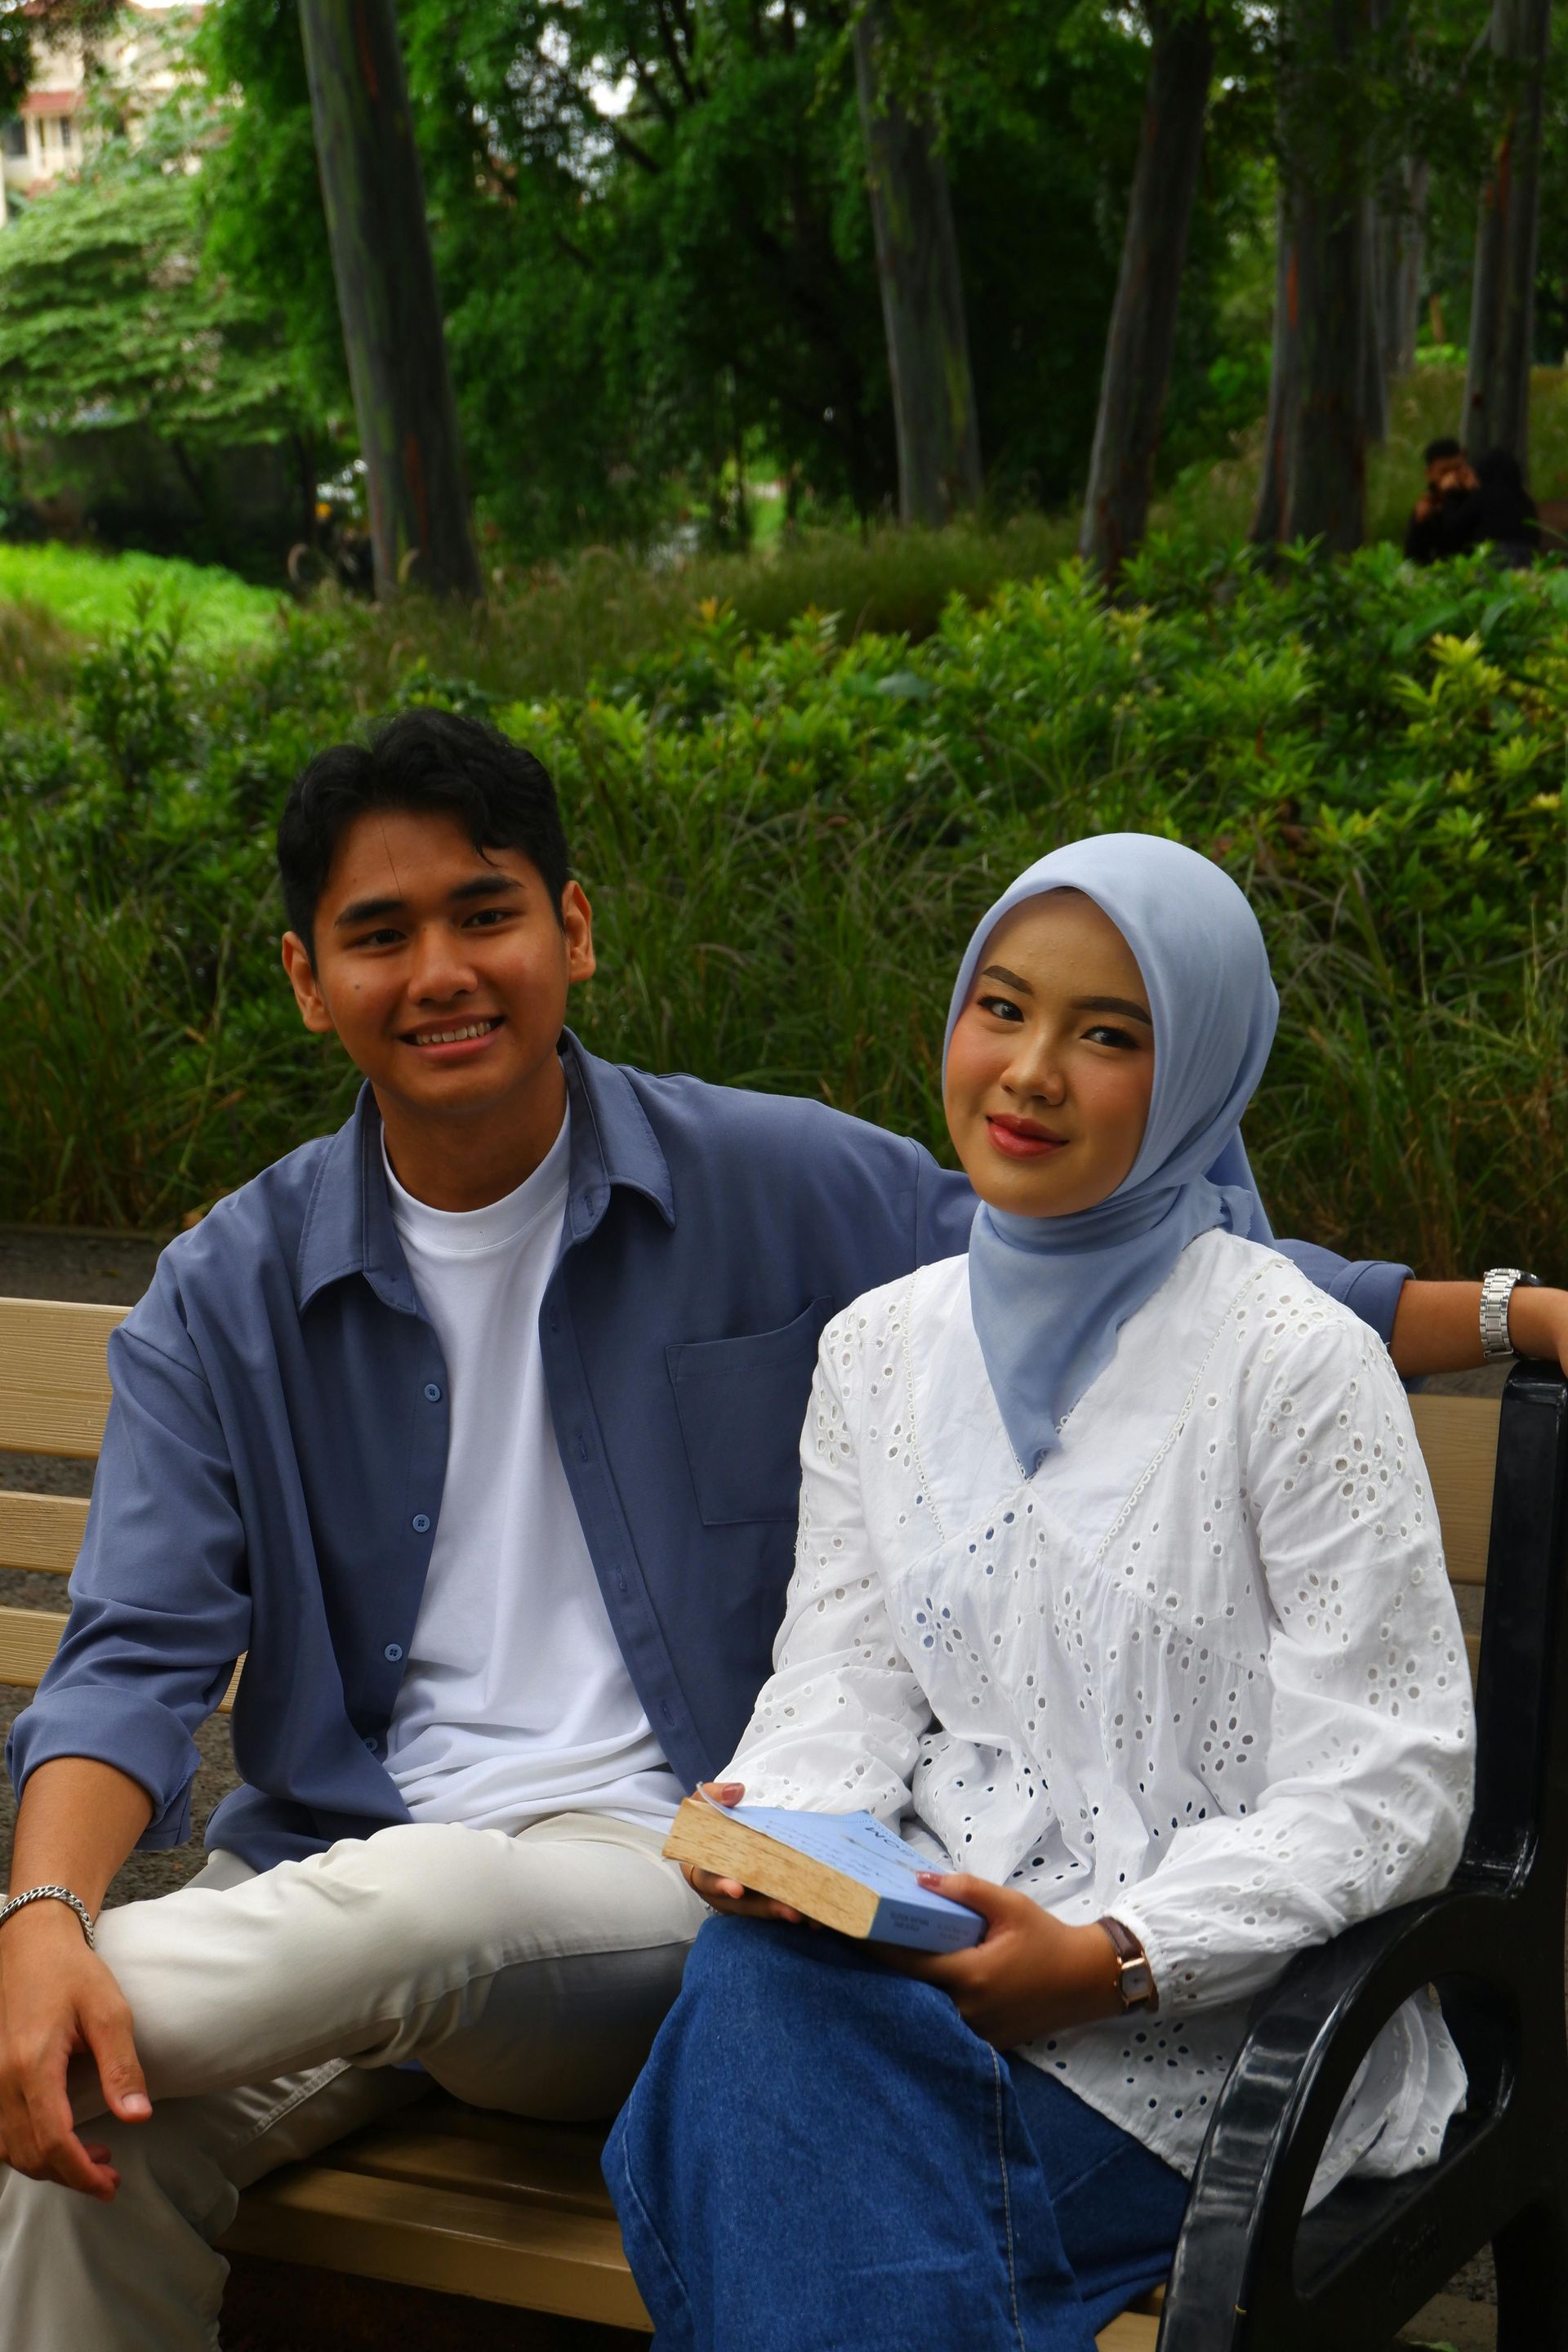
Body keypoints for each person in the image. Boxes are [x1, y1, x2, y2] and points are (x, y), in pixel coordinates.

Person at [0, 715, 1553, 2351]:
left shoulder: (765, 1180)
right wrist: (45, 1920)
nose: (442, 970)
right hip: (325, 1909)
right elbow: (130, 1667)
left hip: (643, 1889)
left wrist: (1514, 1312)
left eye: (485, 914)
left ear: (574, 931)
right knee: (81, 2126)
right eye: (380, 936)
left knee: (426, 1909)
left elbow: (1118, 1251)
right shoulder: (230, 1295)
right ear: (310, 980)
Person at [607, 835, 1477, 2352]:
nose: (1030, 1072)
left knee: (746, 2118)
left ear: (1200, 1068)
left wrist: (1109, 1959)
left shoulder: (1293, 1363)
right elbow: (844, 1679)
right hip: (913, 1965)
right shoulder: (880, 1347)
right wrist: (783, 1832)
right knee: (759, 1982)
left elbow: (1391, 1785)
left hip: (1206, 2038)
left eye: (1109, 1034)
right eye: (1001, 1008)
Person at [1438, 446, 1539, 570]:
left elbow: (1454, 527)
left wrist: (1451, 494)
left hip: (1494, 560)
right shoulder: (1525, 500)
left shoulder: (1484, 495)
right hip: (1527, 561)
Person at [1404, 437, 1478, 564]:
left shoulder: (1474, 498)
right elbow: (1412, 557)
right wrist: (1419, 525)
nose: (1451, 477)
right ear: (1430, 474)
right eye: (1445, 472)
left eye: (1457, 469)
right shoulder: (1428, 504)